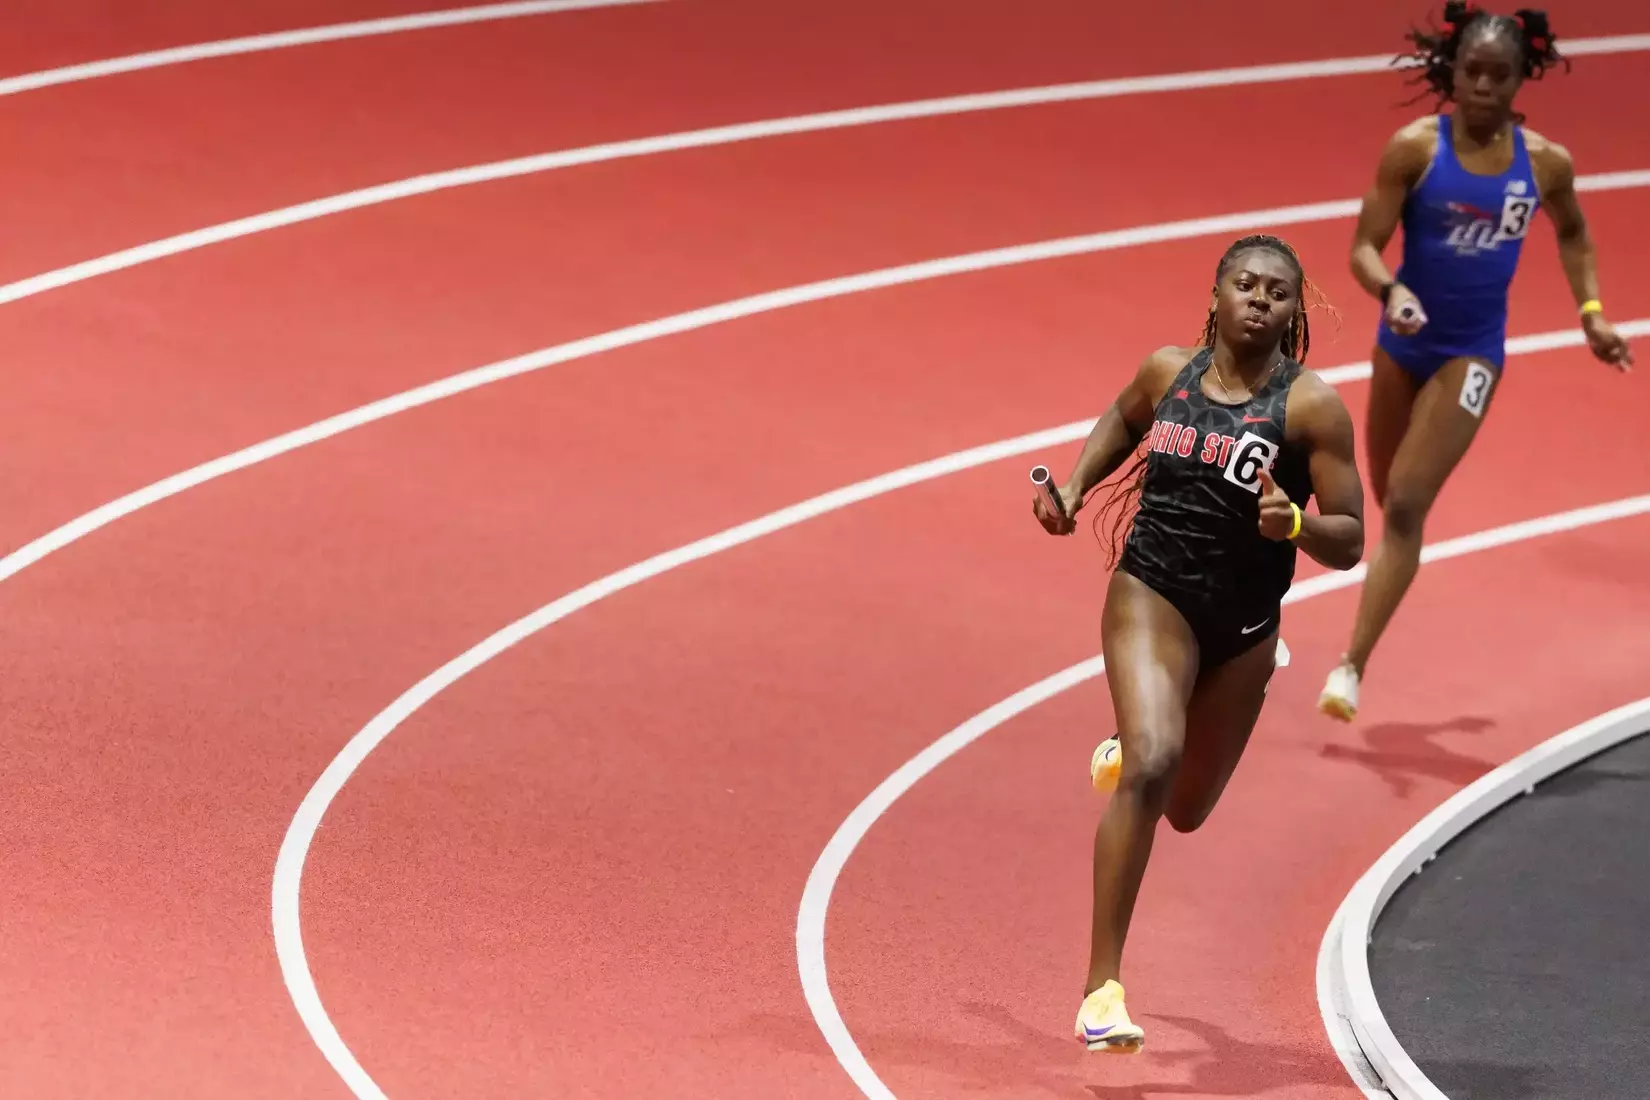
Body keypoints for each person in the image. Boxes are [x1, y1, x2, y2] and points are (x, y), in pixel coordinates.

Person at [1031, 234, 1366, 1051]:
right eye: (1245, 285)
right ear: (1215, 295)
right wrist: (1074, 486)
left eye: (1277, 292)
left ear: (1295, 311)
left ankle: (1148, 731)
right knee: (1150, 765)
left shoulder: (1312, 407)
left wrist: (1297, 524)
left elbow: (1353, 537)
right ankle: (1100, 990)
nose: (1259, 299)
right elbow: (1121, 417)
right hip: (1152, 591)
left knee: (1185, 809)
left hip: (1246, 626)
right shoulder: (1167, 373)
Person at [1317, 2, 1634, 721]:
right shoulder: (1413, 150)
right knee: (1380, 493)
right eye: (1474, 72)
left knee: (1405, 504)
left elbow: (1576, 235)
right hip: (1402, 344)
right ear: (1452, 72)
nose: (1485, 87)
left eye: (1500, 75)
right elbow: (1364, 245)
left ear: (1523, 78)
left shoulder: (1545, 164)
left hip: (1473, 355)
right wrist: (1390, 287)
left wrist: (1591, 315)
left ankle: (1349, 666)